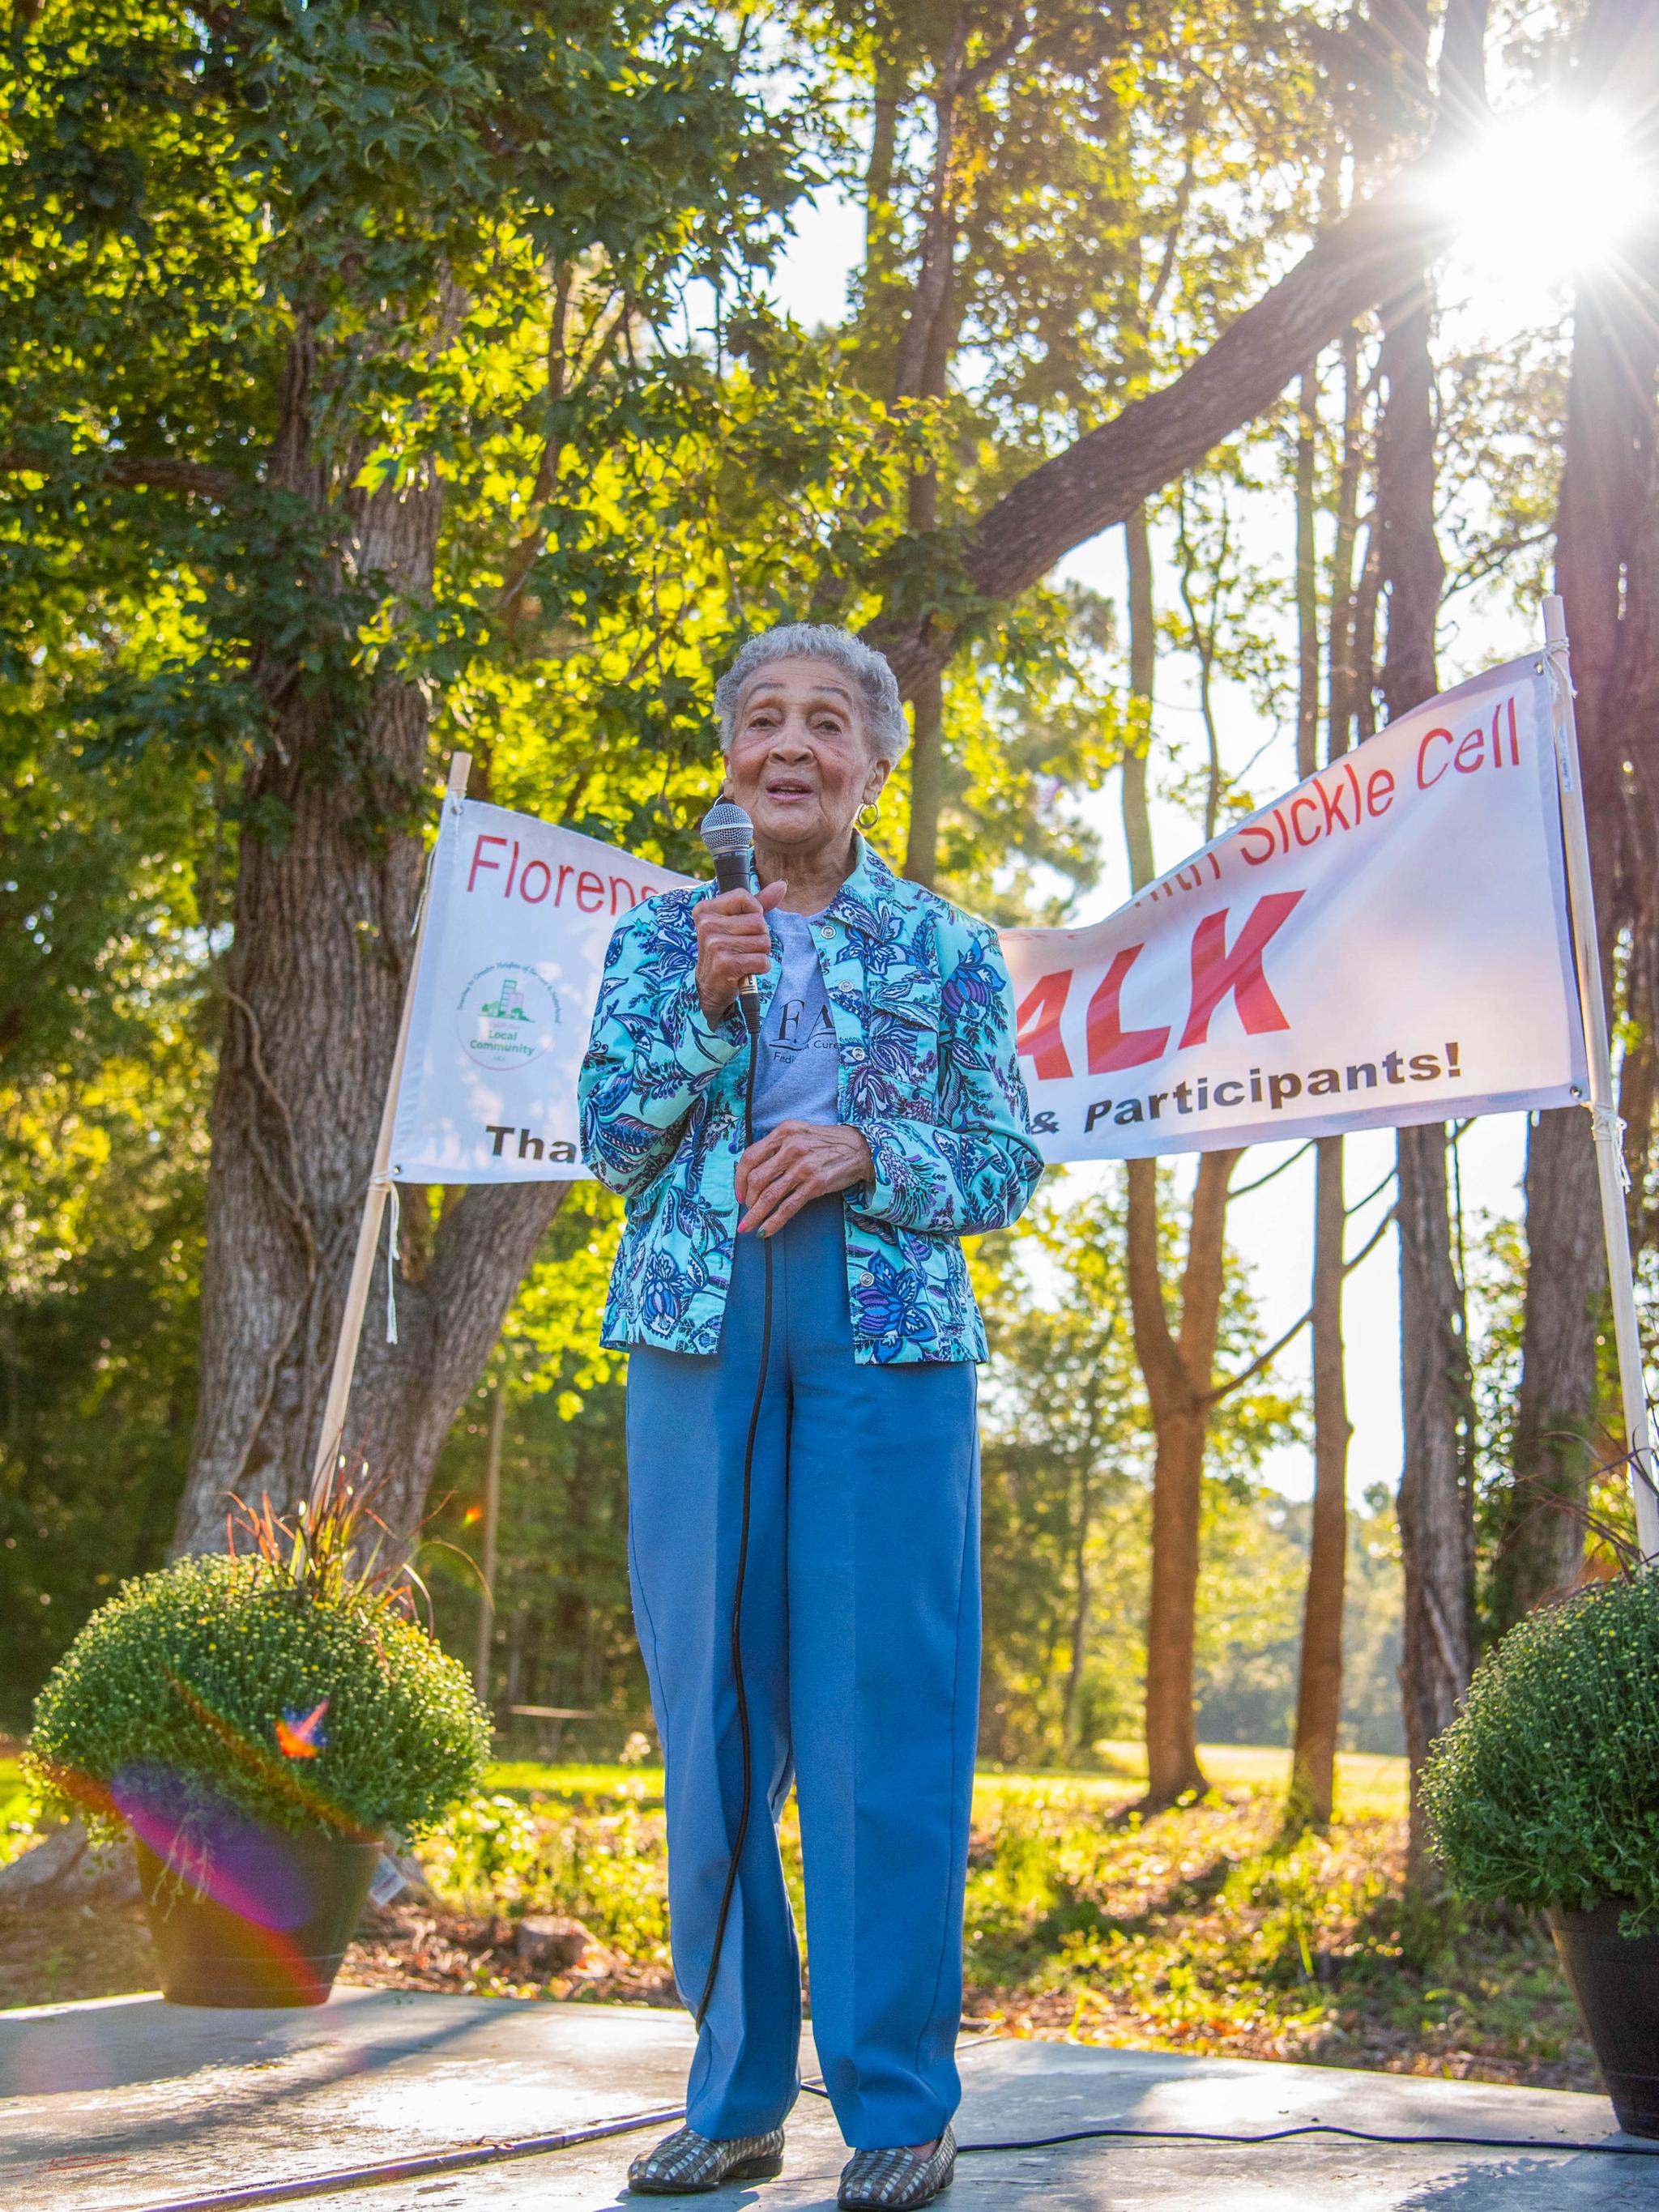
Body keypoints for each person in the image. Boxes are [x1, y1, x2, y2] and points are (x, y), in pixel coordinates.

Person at [578, 623, 1043, 2209]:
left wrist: (868, 1154)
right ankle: (730, 2096)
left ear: (874, 761)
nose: (791, 743)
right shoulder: (660, 935)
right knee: (709, 1723)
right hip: (699, 1335)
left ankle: (899, 2105)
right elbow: (607, 1139)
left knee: (880, 1728)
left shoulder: (949, 946)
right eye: (762, 719)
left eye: (826, 722)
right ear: (729, 758)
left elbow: (1001, 1163)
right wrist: (709, 1006)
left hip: (885, 1346)